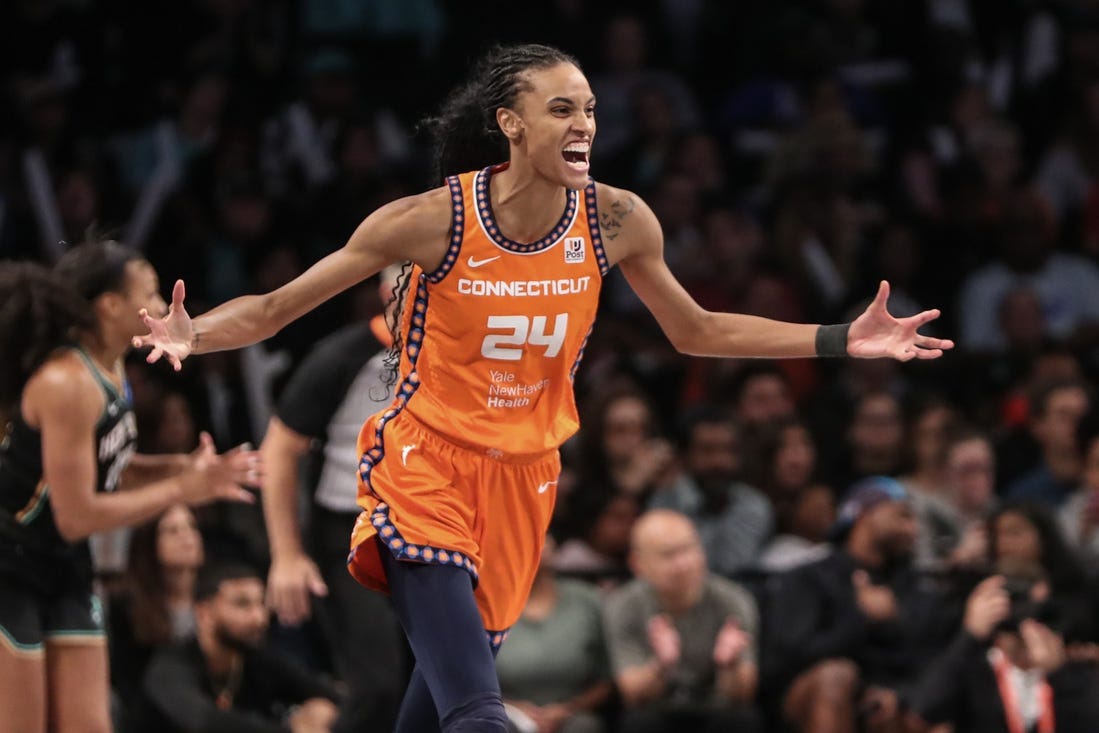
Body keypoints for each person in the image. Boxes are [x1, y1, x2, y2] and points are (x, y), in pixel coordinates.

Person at [134, 42, 953, 733]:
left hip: (526, 480)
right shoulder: (430, 220)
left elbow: (696, 329)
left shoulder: (615, 219)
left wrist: (844, 338)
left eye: (589, 109)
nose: (584, 125)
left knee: (436, 709)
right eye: (561, 109)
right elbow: (277, 309)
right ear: (510, 124)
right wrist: (193, 331)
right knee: (481, 714)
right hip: (425, 462)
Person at [0, 239, 261, 733]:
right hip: (9, 567)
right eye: (152, 291)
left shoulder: (112, 368)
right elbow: (76, 516)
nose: (166, 306)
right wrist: (184, 489)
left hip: (64, 567)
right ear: (111, 305)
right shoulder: (66, 383)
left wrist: (187, 469)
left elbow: (113, 467)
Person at [262, 265, 407, 732]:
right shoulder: (341, 357)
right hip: (350, 531)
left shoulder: (457, 358)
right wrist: (287, 554)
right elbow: (280, 450)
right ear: (388, 294)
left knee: (437, 680)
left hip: (430, 530)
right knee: (377, 686)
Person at [604, 509, 763, 732]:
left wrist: (729, 665)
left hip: (714, 708)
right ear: (638, 563)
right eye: (669, 555)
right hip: (658, 709)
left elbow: (744, 694)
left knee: (742, 719)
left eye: (689, 549)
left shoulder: (733, 600)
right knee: (638, 723)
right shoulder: (624, 605)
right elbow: (632, 695)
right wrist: (661, 665)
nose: (684, 564)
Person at [139, 561, 341, 733]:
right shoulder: (170, 665)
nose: (259, 617)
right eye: (242, 604)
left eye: (261, 603)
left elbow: (332, 695)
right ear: (204, 613)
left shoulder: (256, 658)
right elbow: (203, 721)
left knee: (321, 709)